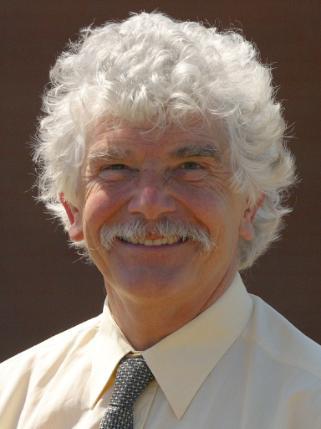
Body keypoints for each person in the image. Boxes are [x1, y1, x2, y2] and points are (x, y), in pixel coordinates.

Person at [0, 11, 320, 429]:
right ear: (72, 207)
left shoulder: (307, 403)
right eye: (116, 168)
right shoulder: (13, 400)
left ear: (251, 204)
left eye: (189, 166)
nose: (150, 204)